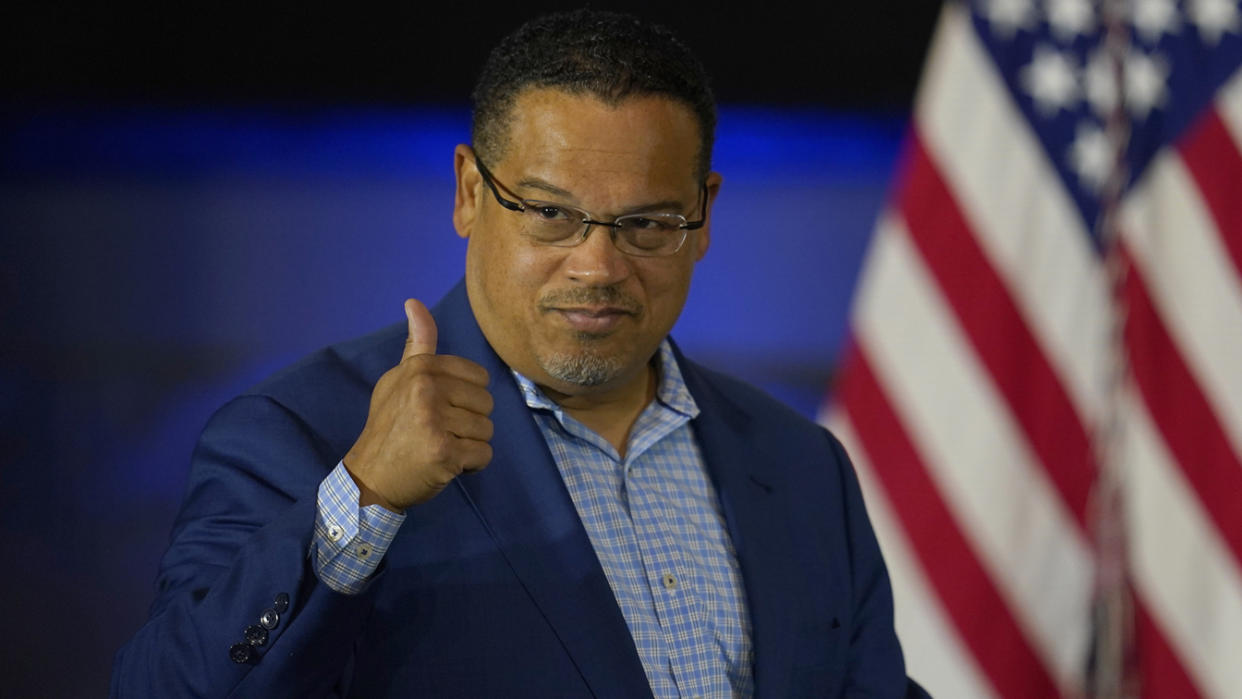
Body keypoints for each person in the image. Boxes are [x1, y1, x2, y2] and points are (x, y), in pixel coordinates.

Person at [113, 9, 927, 698]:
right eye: (549, 213)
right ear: (470, 191)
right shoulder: (303, 434)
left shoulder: (802, 464)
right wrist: (364, 497)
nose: (598, 266)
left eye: (646, 223)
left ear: (704, 212)